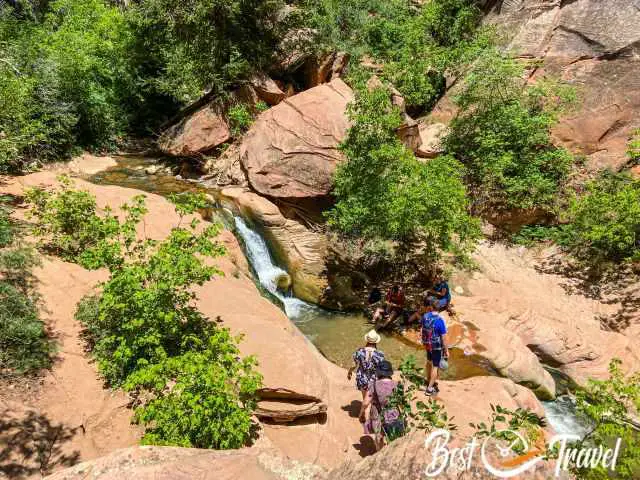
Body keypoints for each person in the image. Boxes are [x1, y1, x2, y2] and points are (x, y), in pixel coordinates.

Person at [361, 360, 404, 451]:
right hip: (394, 415)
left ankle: (379, 454)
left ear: (378, 372)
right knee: (395, 437)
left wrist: (361, 413)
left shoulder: (374, 385)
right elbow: (402, 403)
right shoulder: (397, 385)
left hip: (378, 416)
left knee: (379, 437)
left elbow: (365, 403)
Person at [348, 330, 385, 407]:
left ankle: (364, 408)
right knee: (370, 396)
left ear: (367, 340)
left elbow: (354, 365)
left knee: (364, 396)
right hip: (373, 379)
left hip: (361, 377)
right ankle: (366, 408)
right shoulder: (379, 354)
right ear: (376, 342)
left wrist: (350, 372)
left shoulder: (360, 351)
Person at [421, 299, 449, 396]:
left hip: (427, 344)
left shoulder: (425, 317)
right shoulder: (440, 321)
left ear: (431, 307)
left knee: (429, 361)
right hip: (436, 347)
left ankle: (428, 379)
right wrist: (446, 350)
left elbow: (423, 329)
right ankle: (429, 389)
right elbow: (444, 338)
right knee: (436, 366)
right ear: (440, 308)